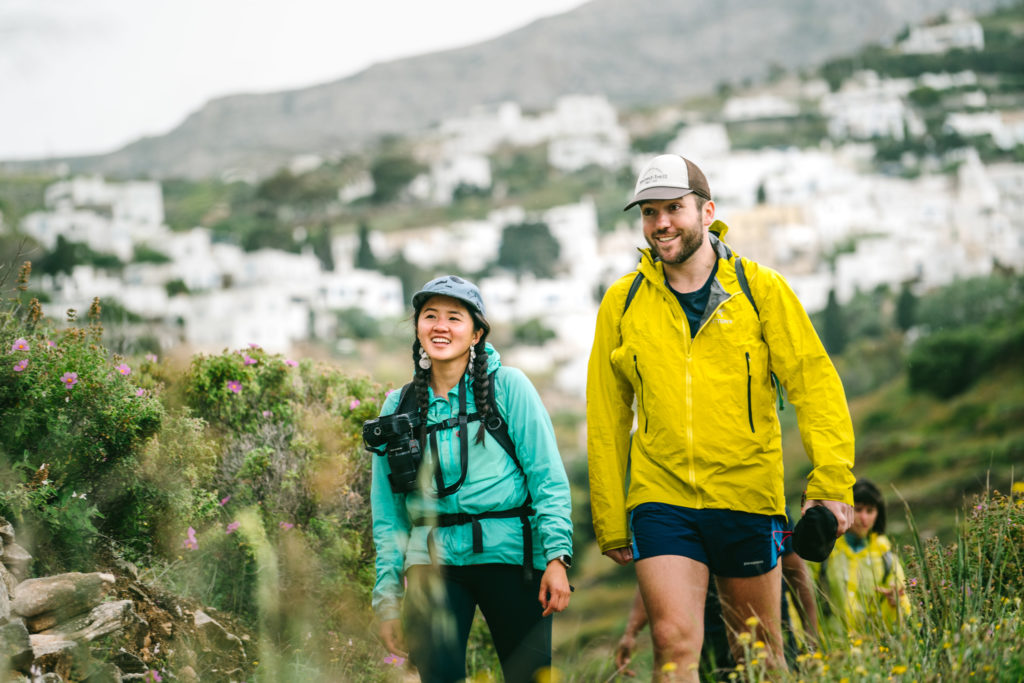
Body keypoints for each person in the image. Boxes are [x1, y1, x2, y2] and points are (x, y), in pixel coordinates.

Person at [587, 154, 855, 680]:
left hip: (745, 492)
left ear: (706, 211)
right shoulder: (622, 302)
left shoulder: (760, 289)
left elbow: (815, 385)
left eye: (673, 208)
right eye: (648, 212)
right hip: (660, 498)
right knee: (673, 646)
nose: (660, 223)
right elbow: (607, 413)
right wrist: (610, 513)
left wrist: (832, 481)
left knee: (758, 654)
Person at [368, 275, 574, 683]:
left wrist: (556, 557)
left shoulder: (509, 387)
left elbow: (547, 477)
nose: (440, 326)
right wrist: (387, 600)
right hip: (432, 564)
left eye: (454, 317)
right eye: (430, 316)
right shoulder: (399, 405)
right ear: (417, 328)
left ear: (477, 332)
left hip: (513, 559)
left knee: (529, 677)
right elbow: (389, 517)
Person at [613, 516, 820, 680]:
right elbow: (659, 578)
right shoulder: (678, 514)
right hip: (708, 651)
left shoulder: (766, 508)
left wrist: (812, 641)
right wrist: (631, 632)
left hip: (762, 639)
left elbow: (798, 576)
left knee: (765, 666)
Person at [814, 479, 911, 635]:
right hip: (831, 649)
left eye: (870, 510)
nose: (864, 518)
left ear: (878, 514)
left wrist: (896, 603)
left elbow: (904, 615)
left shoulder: (886, 558)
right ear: (844, 510)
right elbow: (805, 596)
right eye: (858, 509)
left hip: (873, 650)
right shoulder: (824, 551)